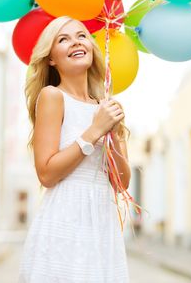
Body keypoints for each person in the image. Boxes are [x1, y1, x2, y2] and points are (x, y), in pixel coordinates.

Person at [18, 16, 131, 282]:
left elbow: (122, 183)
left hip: (102, 224)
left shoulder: (107, 106)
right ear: (51, 58)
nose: (76, 42)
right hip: (65, 219)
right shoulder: (52, 97)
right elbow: (46, 174)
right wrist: (94, 131)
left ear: (91, 46)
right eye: (63, 39)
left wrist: (112, 132)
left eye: (81, 35)